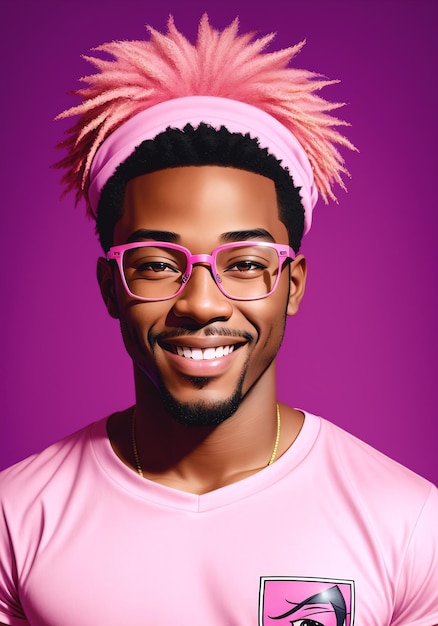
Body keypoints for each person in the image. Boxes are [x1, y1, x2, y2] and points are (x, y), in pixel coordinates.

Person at [0, 15, 436, 626]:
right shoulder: (15, 520)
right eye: (155, 264)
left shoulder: (410, 525)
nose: (202, 303)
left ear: (293, 286)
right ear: (109, 287)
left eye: (246, 263)